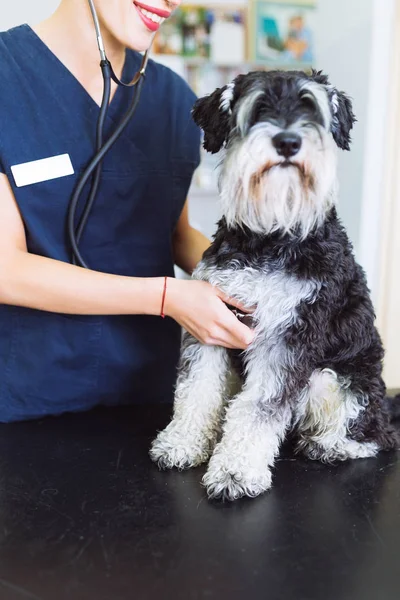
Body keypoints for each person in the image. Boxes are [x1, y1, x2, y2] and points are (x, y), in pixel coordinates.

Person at [0, 0, 254, 423]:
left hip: (152, 395)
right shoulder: (7, 79)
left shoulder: (175, 100)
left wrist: (258, 285)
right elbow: (5, 269)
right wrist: (169, 297)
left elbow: (174, 235)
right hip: (30, 399)